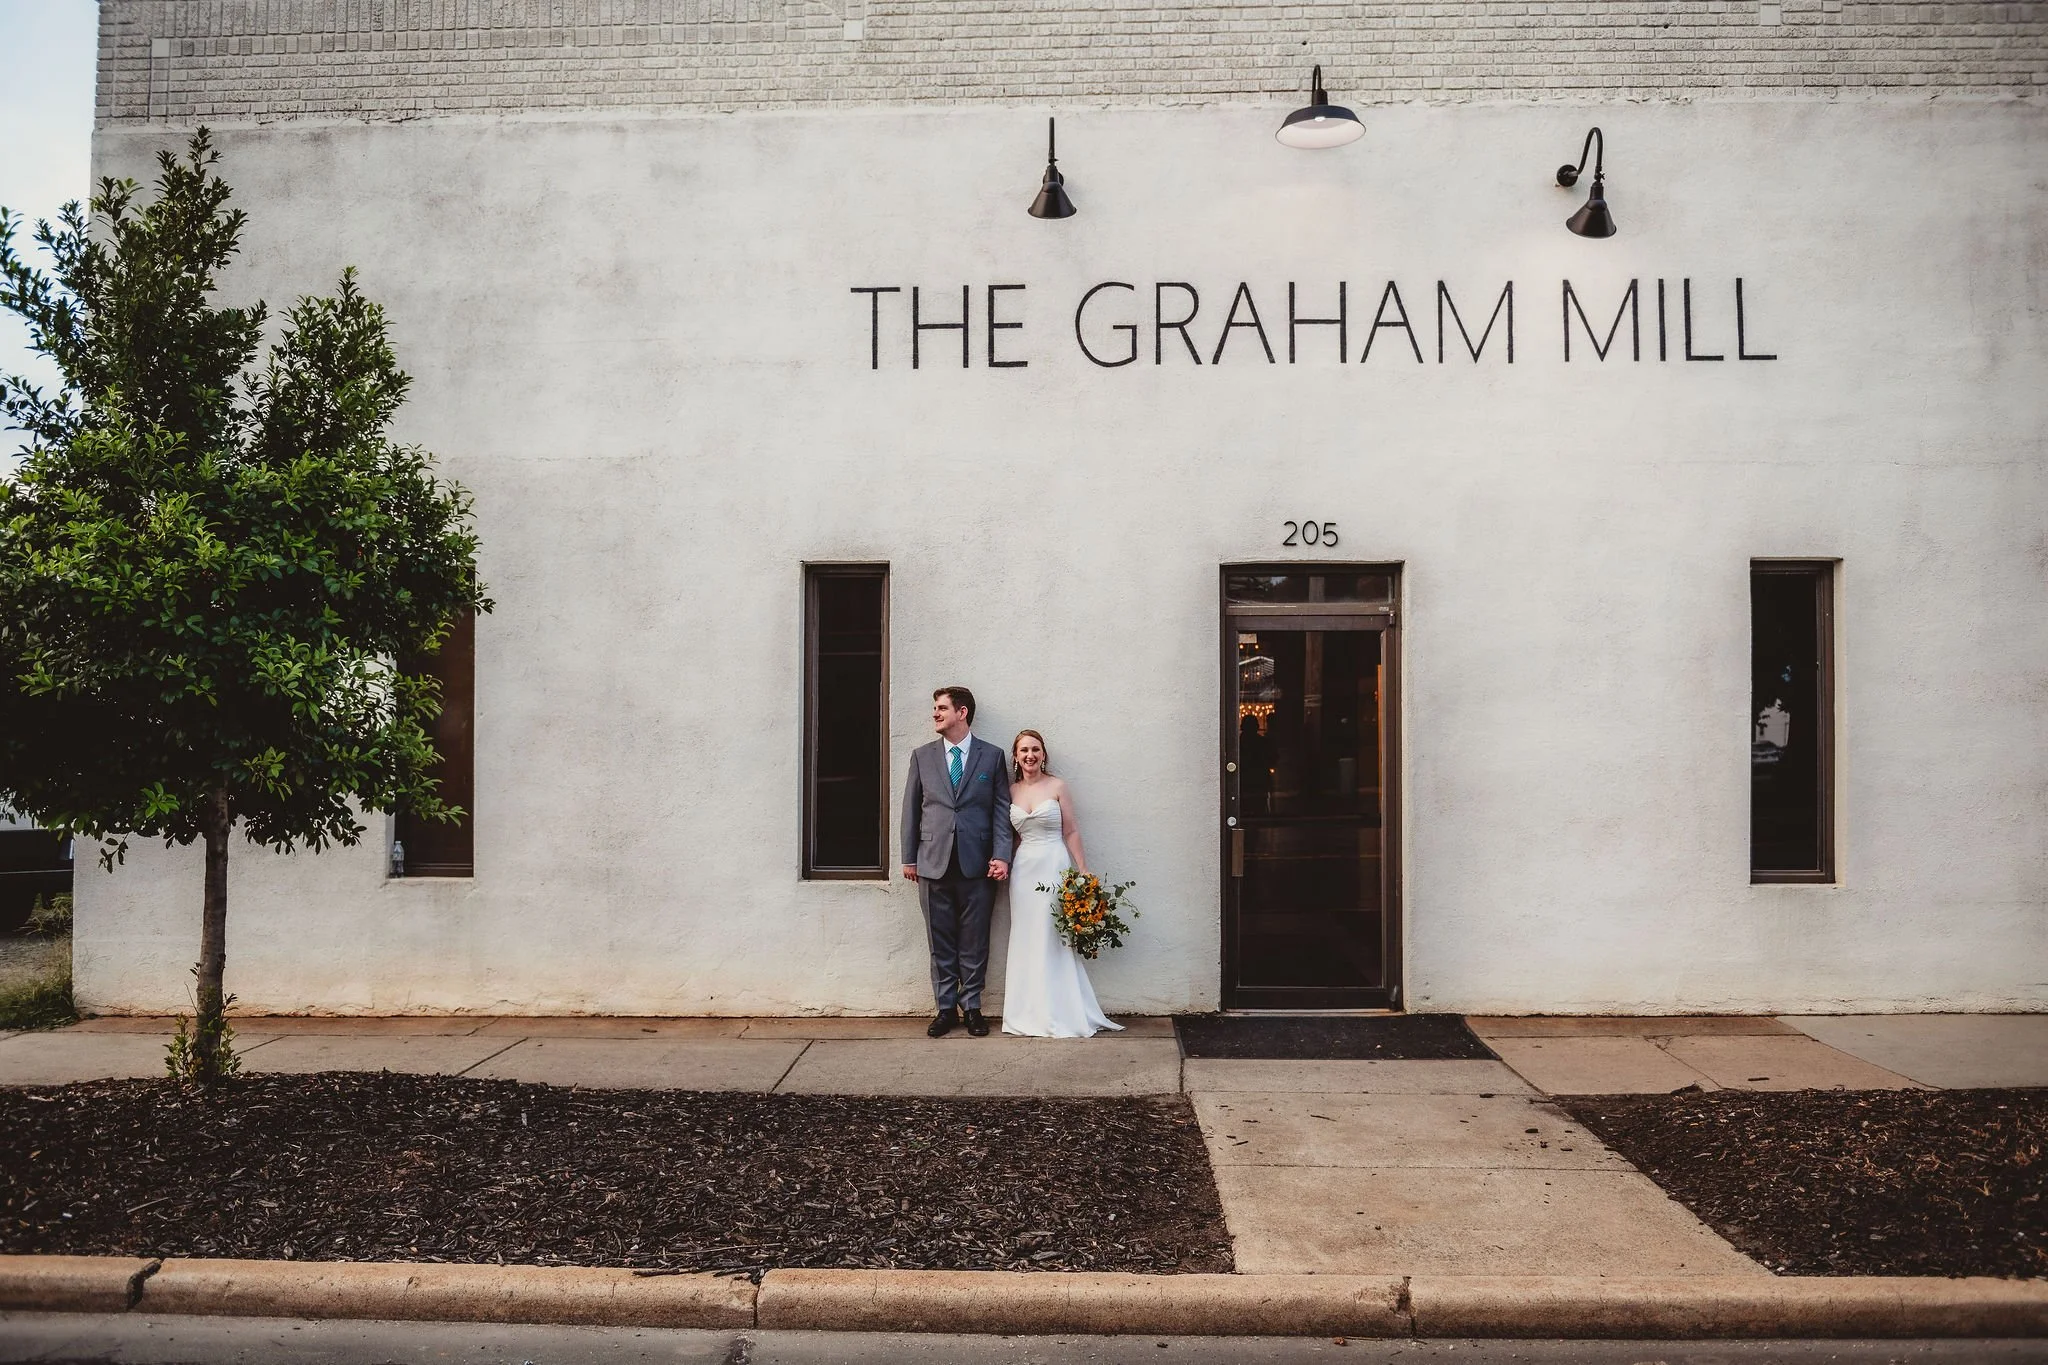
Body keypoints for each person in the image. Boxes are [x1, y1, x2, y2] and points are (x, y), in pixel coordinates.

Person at [901, 686, 1013, 1037]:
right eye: (935, 708)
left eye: (941, 708)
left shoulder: (991, 756)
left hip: (977, 865)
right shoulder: (922, 756)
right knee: (940, 940)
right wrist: (908, 857)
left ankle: (973, 1008)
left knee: (975, 940)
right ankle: (946, 1008)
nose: (935, 714)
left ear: (961, 713)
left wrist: (1001, 854)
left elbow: (1000, 811)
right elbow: (910, 810)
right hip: (932, 863)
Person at [999, 730, 1122, 1038]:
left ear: (1044, 754)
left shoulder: (1057, 786)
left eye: (1035, 749)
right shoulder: (1010, 791)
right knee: (1026, 936)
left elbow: (1071, 831)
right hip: (1024, 871)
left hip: (1054, 866)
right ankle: (1026, 1012)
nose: (1030, 755)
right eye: (1024, 750)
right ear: (1015, 756)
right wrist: (1002, 865)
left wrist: (1082, 871)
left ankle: (1059, 1010)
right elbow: (1011, 837)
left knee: (1052, 936)